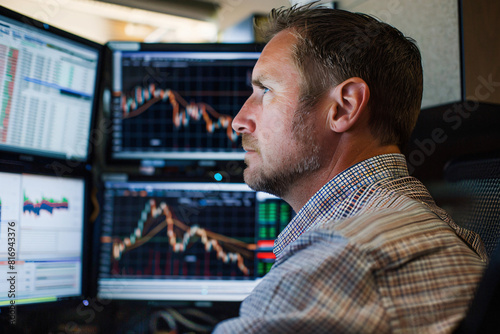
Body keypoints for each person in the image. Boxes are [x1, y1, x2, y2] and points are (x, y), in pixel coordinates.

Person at [213, 3, 487, 333]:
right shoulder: (442, 228)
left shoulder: (338, 263)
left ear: (344, 107)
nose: (239, 121)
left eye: (266, 90)